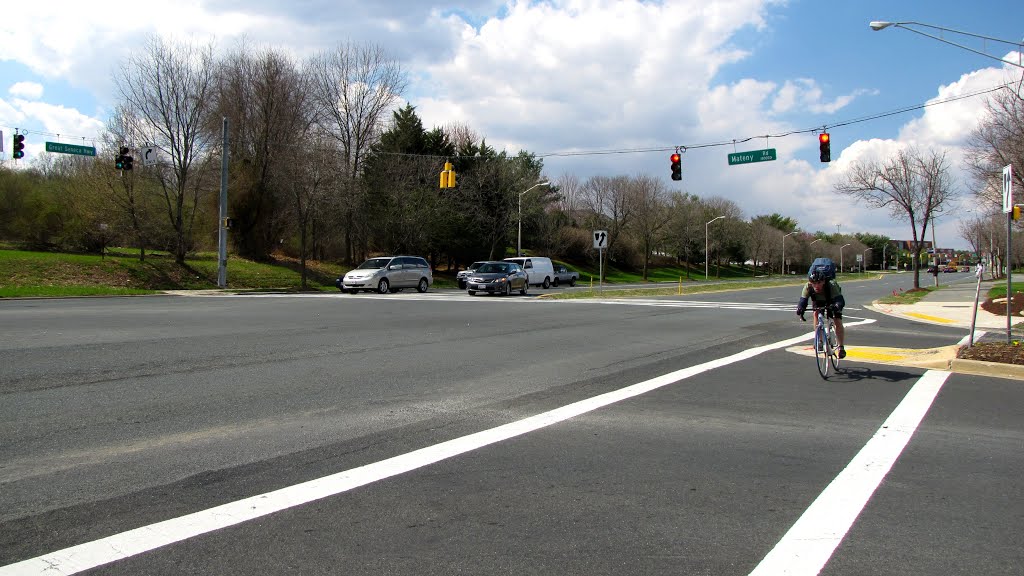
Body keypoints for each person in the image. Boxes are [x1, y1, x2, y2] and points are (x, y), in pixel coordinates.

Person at [796, 270, 847, 358]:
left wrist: (837, 306)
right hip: (818, 301)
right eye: (813, 283)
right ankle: (819, 341)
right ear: (810, 282)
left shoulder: (831, 285)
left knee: (837, 320)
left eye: (819, 282)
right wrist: (800, 310)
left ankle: (841, 347)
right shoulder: (808, 286)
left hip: (832, 299)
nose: (816, 285)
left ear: (823, 281)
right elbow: (803, 301)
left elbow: (840, 300)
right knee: (816, 313)